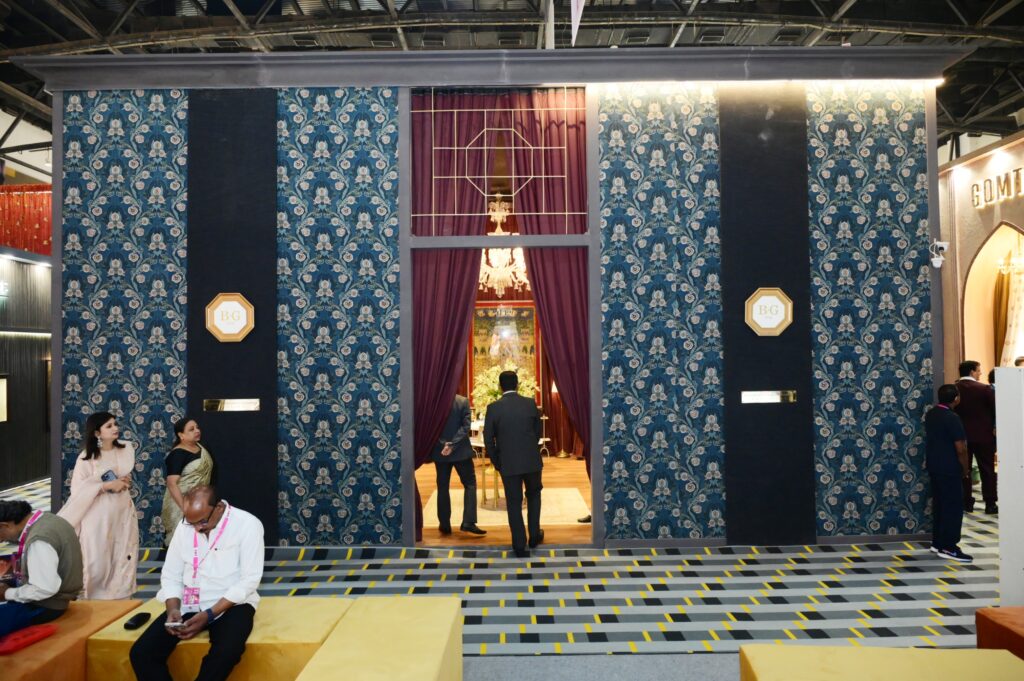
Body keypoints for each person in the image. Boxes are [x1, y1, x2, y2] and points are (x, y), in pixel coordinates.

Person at [130, 486, 264, 681]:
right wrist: (173, 610)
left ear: (219, 508)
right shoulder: (185, 526)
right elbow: (171, 574)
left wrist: (209, 614)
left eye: (202, 522)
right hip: (189, 602)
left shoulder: (248, 525)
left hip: (231, 604)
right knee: (142, 653)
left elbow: (249, 580)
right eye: (190, 522)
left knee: (226, 653)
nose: (197, 529)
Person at [57, 411, 138, 599]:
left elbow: (124, 476)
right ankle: (94, 597)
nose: (115, 428)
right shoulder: (86, 458)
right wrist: (105, 486)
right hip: (97, 513)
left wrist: (124, 481)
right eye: (109, 426)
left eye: (115, 424)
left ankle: (120, 595)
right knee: (97, 557)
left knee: (122, 551)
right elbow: (77, 491)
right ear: (97, 433)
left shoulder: (125, 449)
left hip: (122, 510)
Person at [0, 499, 84, 638]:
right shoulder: (48, 519)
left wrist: (7, 593)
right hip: (53, 598)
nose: (1, 541)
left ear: (4, 525)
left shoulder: (39, 540)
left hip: (46, 607)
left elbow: (44, 589)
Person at [483, 371, 543, 558]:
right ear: (518, 385)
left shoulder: (493, 408)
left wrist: (497, 462)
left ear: (500, 387)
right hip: (532, 461)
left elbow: (488, 440)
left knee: (514, 503)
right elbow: (538, 433)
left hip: (508, 463)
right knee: (534, 496)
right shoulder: (530, 403)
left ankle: (519, 545)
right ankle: (534, 536)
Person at [925, 385, 972, 563]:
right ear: (956, 398)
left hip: (934, 466)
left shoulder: (932, 414)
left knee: (940, 506)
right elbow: (961, 448)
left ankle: (938, 543)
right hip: (950, 468)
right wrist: (965, 469)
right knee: (953, 508)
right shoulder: (952, 417)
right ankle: (949, 547)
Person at [432, 395, 486, 537]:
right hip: (461, 451)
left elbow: (430, 427)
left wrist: (444, 444)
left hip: (440, 451)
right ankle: (468, 522)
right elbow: (466, 426)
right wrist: (453, 444)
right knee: (470, 484)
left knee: (442, 487)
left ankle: (444, 524)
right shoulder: (462, 401)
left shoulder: (434, 400)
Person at [162, 416, 216, 546]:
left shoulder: (202, 448)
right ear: (181, 435)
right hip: (181, 504)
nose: (197, 431)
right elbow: (171, 483)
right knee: (183, 543)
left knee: (202, 542)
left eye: (197, 428)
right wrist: (186, 509)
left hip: (201, 502)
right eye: (191, 429)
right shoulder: (177, 454)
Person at [954, 361, 997, 514]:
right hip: (984, 436)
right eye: (978, 371)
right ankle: (990, 503)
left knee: (964, 470)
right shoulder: (985, 389)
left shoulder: (954, 389)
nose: (980, 373)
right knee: (987, 469)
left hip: (961, 437)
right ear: (972, 372)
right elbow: (995, 410)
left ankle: (967, 502)